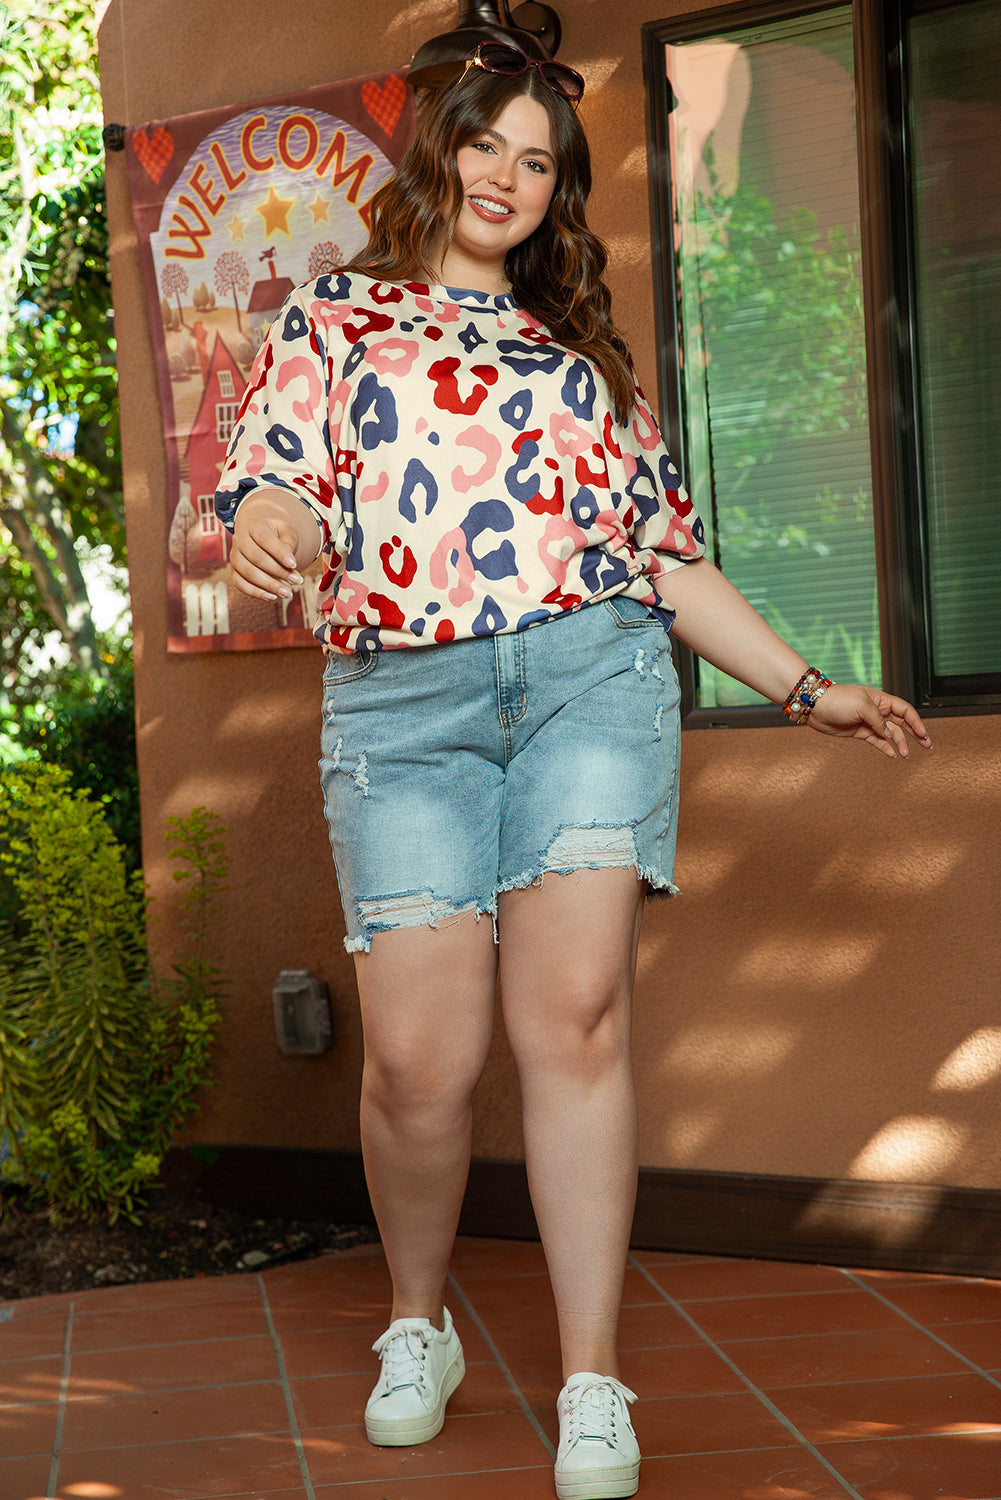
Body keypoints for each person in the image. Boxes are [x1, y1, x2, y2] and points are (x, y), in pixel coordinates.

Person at [216, 41, 932, 1500]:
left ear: (555, 193)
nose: (506, 176)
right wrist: (270, 532)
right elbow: (277, 487)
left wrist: (807, 689)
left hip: (589, 684)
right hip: (404, 703)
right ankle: (416, 1325)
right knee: (419, 1063)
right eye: (486, 143)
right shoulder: (335, 315)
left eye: (537, 160)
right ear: (438, 152)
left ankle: (592, 1377)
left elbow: (662, 557)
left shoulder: (580, 359)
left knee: (579, 1021)